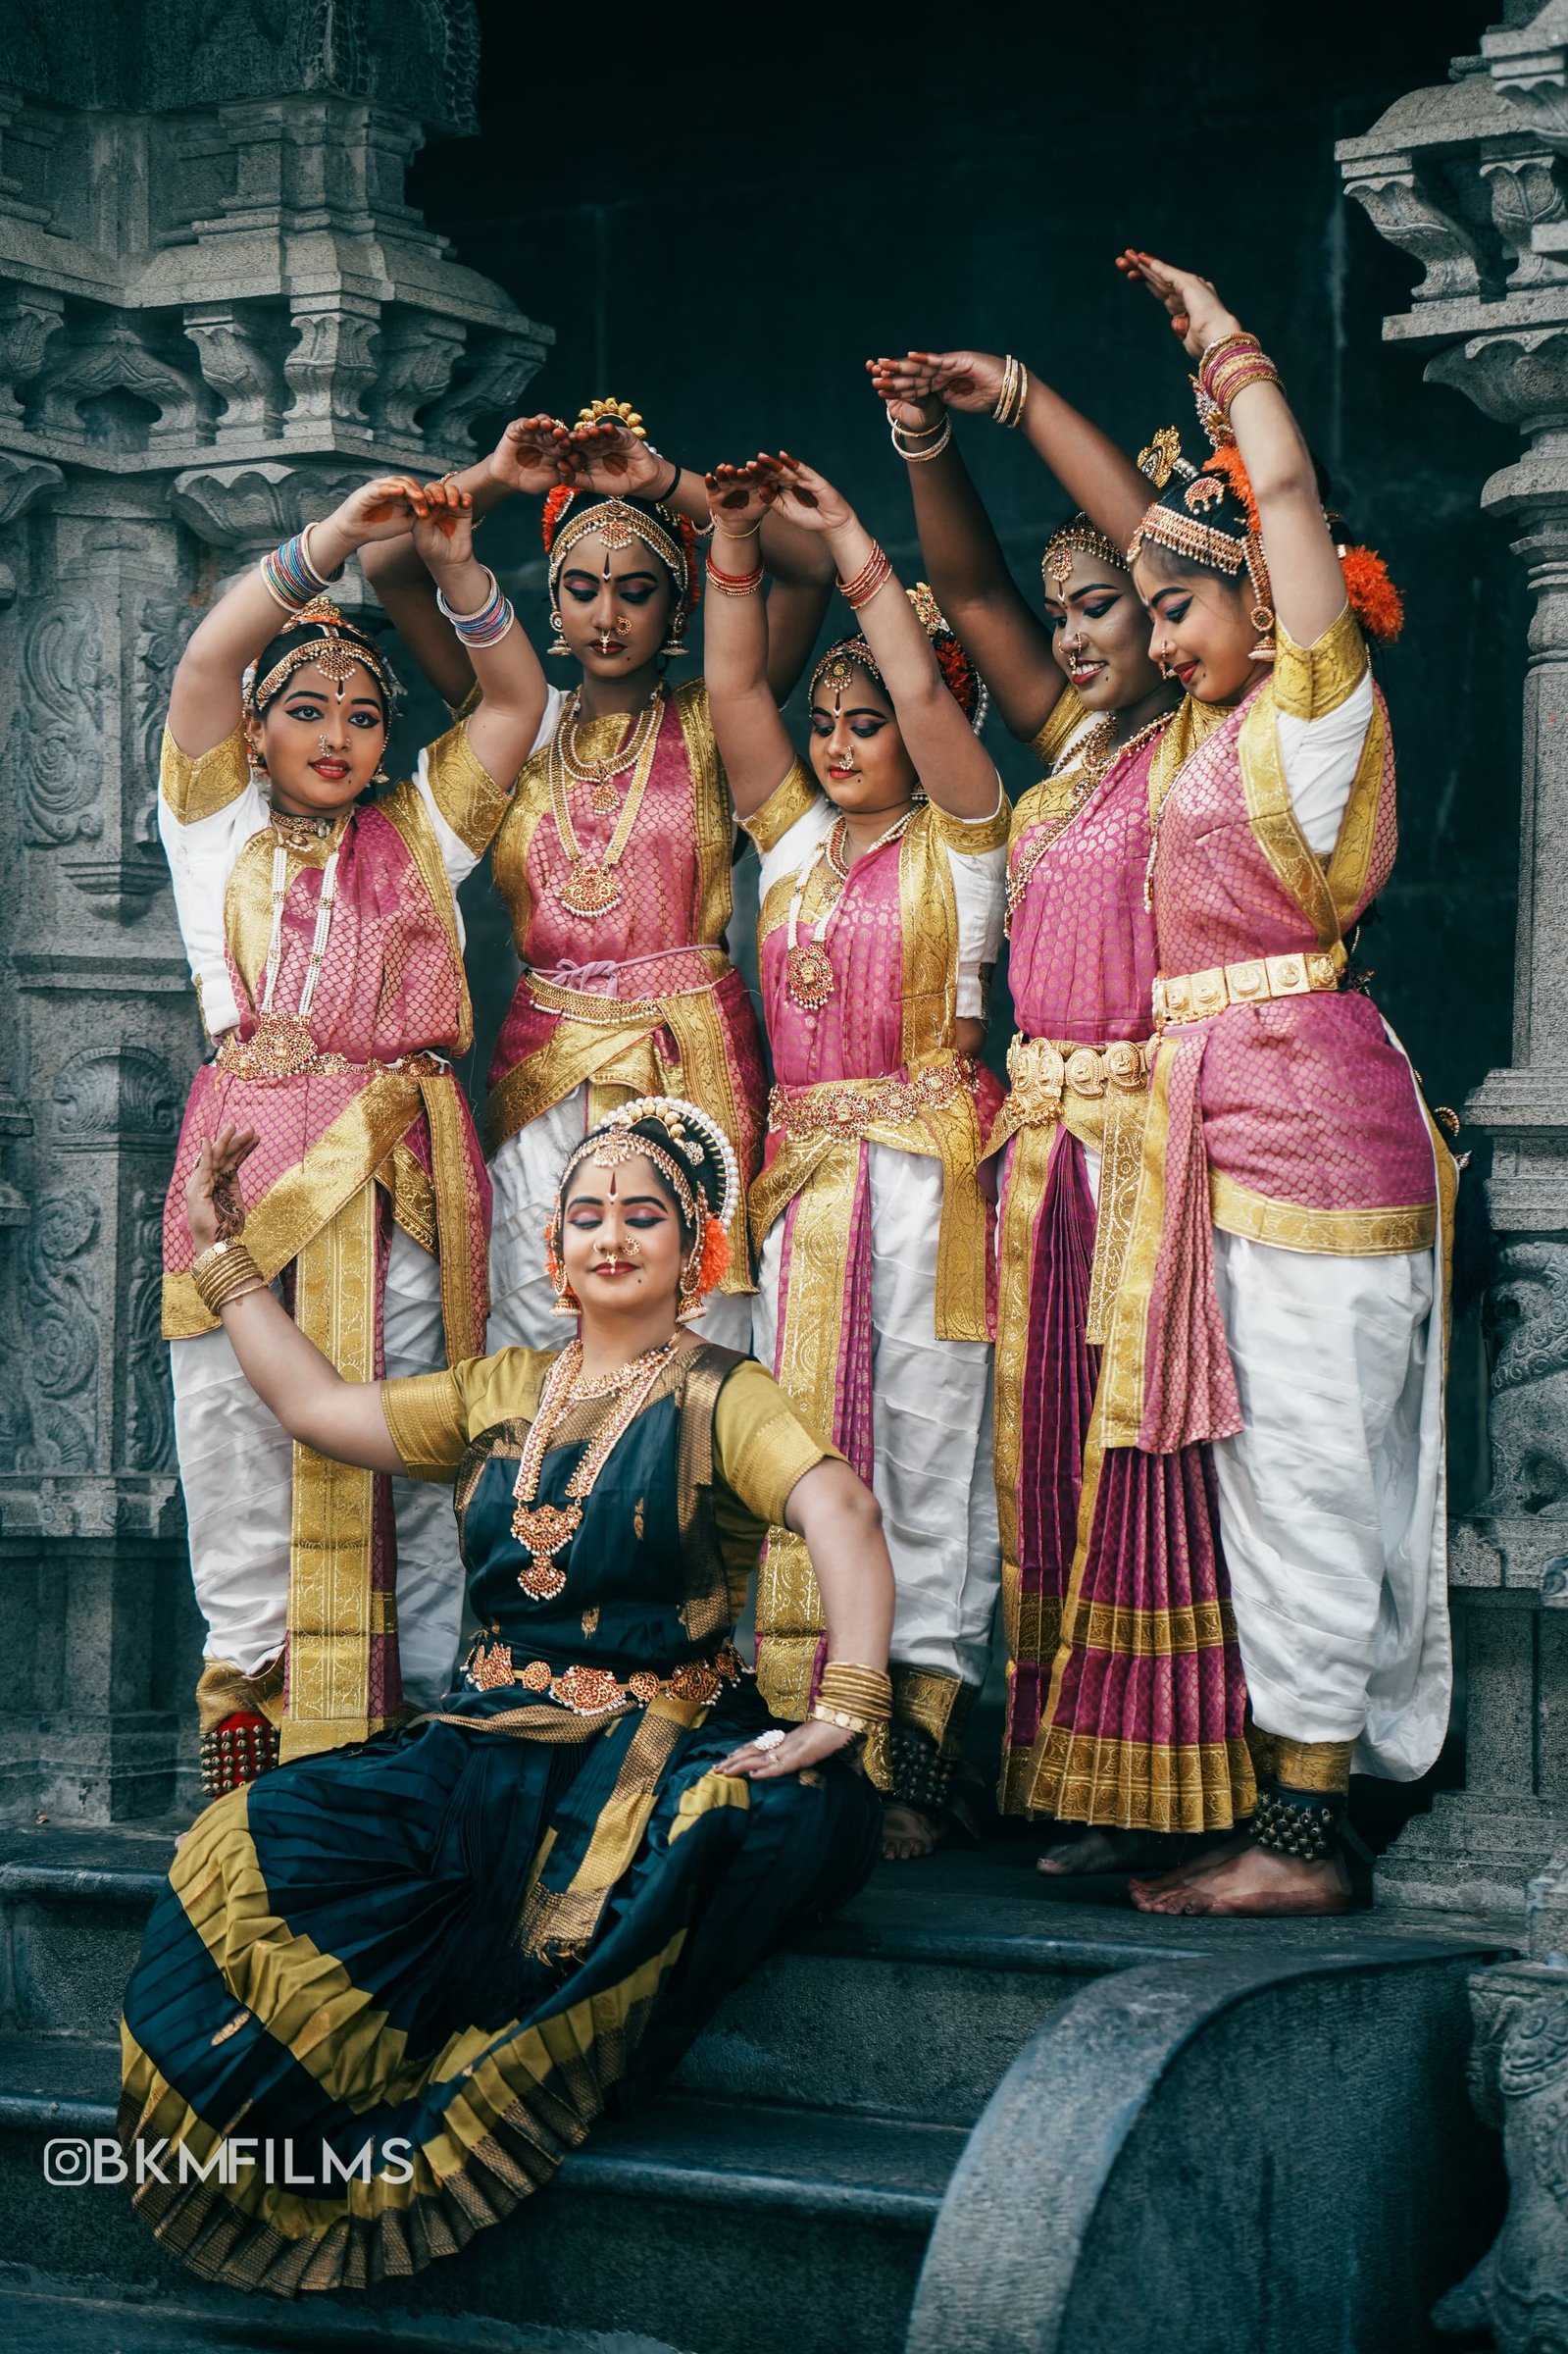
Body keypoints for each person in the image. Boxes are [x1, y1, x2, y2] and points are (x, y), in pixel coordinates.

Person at [120, 1099, 889, 2293]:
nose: (612, 1237)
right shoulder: (499, 1390)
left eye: (645, 1216)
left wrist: (845, 1704)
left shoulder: (725, 1394)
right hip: (484, 1743)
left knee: (763, 1815)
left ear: (696, 1253)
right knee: (247, 1839)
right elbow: (321, 1412)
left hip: (647, 1733)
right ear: (555, 1249)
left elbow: (837, 1508)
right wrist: (225, 1260)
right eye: (587, 1216)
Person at [1082, 252, 1451, 1917]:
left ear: (1272, 599)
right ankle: (1255, 1794)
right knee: (1249, 1477)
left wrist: (1231, 357)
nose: (1159, 645)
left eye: (1180, 607)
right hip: (1212, 1130)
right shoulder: (1181, 743)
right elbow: (1157, 534)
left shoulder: (1314, 709)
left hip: (1309, 1125)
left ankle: (1303, 1843)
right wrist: (1027, 408)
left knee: (1308, 1470)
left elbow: (1280, 490)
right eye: (1148, 613)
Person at [868, 351, 1254, 1872]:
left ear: (1184, 617)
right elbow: (966, 596)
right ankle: (1064, 1775)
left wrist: (1024, 396)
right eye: (1076, 610)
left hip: (1161, 1134)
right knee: (1042, 1458)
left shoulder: (1217, 742)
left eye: (1119, 607)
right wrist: (920, 449)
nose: (1087, 634)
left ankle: (1174, 1784)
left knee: (1145, 1457)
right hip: (1042, 1149)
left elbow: (1167, 545)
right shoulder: (1076, 749)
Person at [158, 476, 548, 1791]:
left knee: (413, 1464)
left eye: (366, 714)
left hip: (400, 1191)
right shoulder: (212, 827)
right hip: (247, 1185)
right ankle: (251, 1782)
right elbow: (213, 651)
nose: (337, 732)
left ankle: (404, 1765)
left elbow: (512, 705)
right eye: (308, 710)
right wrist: (331, 543)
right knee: (238, 1459)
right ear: (254, 735)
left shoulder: (420, 836)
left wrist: (454, 566)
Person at [363, 402, 834, 1352]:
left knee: (697, 1329)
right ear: (553, 599)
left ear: (677, 604)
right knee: (536, 1314)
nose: (606, 615)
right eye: (581, 588)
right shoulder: (510, 714)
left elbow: (809, 564)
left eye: (634, 591)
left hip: (689, 1054)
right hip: (543, 1058)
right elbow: (390, 564)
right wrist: (496, 478)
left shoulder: (718, 717)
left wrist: (663, 483)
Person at [699, 450, 1007, 1861]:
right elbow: (731, 696)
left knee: (931, 1451)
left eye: (867, 719)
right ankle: (808, 1721)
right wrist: (733, 548)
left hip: (934, 1184)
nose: (838, 738)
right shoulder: (791, 842)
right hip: (807, 1192)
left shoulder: (969, 837)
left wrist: (863, 550)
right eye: (828, 718)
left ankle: (915, 1754)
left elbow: (934, 696)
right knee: (800, 1451)